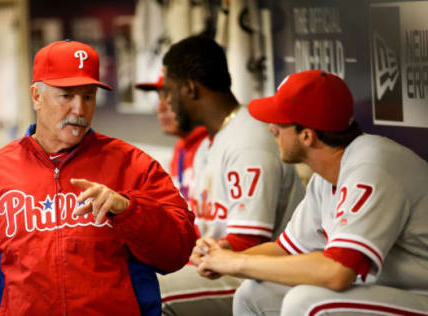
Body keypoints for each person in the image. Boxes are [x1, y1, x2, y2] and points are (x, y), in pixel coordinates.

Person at [0, 39, 198, 316]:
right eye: (67, 95)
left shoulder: (133, 165)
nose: (79, 110)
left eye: (88, 96)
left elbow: (177, 252)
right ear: (36, 96)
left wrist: (129, 210)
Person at [194, 70, 428, 315]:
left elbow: (337, 272)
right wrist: (222, 254)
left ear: (307, 135)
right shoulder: (327, 176)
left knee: (306, 302)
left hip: (420, 295)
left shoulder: (372, 166)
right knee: (254, 294)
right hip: (390, 293)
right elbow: (286, 249)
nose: (271, 129)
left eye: (280, 123)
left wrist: (237, 263)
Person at [158, 36, 305, 316]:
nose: (167, 102)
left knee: (150, 293)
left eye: (169, 91)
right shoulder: (208, 144)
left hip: (260, 276)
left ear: (189, 88)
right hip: (218, 266)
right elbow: (197, 233)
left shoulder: (248, 140)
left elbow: (247, 243)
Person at [135, 74, 208, 200]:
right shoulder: (180, 147)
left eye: (169, 97)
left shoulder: (214, 145)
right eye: (159, 97)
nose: (160, 108)